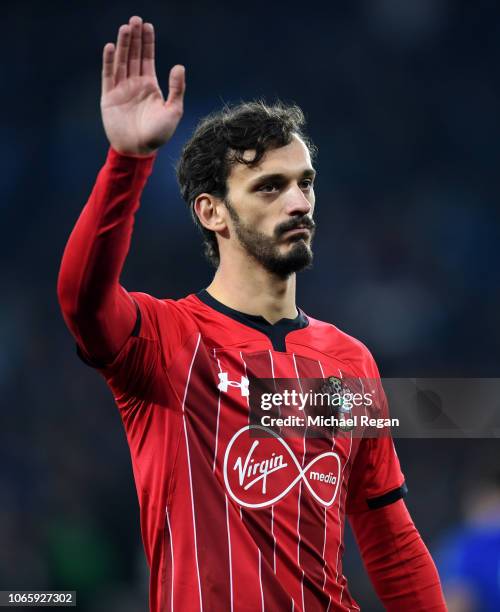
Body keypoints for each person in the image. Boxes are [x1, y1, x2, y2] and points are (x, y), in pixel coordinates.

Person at [57, 14, 446, 612]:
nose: (298, 201)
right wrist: (127, 163)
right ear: (213, 213)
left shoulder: (350, 362)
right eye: (269, 186)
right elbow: (82, 299)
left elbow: (390, 538)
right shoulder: (165, 340)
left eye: (305, 183)